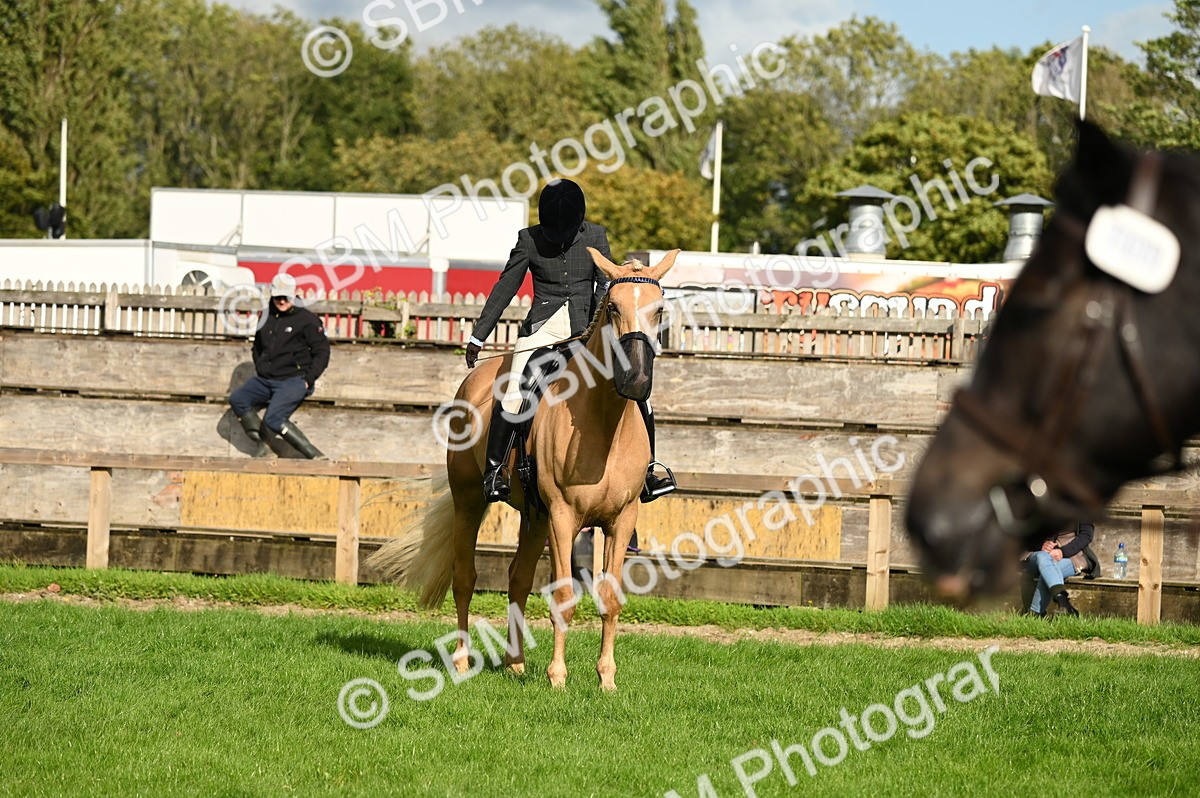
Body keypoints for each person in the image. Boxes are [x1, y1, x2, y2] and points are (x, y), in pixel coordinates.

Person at [465, 178, 675, 503]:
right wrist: (479, 335)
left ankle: (647, 474)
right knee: (512, 391)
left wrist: (599, 323)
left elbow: (606, 285)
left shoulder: (595, 235)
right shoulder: (528, 240)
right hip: (542, 328)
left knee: (638, 391)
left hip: (587, 326)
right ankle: (496, 471)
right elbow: (506, 287)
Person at [228, 273, 330, 459]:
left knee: (273, 418)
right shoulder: (265, 316)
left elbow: (322, 352)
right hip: (266, 379)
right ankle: (262, 444)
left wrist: (308, 379)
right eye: (277, 296)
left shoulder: (307, 320)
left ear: (294, 294)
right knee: (237, 399)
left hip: (294, 380)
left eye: (286, 296)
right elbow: (257, 346)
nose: (282, 300)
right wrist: (261, 367)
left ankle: (314, 455)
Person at [1019, 519, 1099, 617]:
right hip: (1037, 554)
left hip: (1071, 556)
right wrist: (1041, 546)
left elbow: (1086, 536)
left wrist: (1063, 552)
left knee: (1049, 571)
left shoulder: (1082, 506)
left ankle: (1034, 615)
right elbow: (1024, 533)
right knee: (1043, 558)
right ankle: (1063, 602)